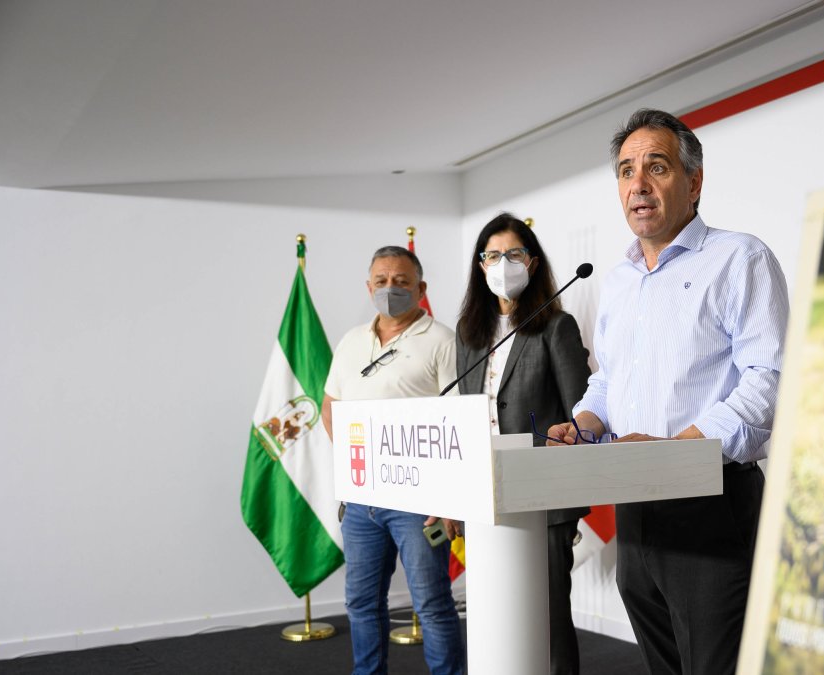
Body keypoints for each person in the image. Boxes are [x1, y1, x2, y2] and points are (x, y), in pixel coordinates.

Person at [548, 108, 790, 675]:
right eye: (627, 170)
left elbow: (769, 381)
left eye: (657, 167)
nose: (638, 183)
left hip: (712, 507)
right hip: (635, 508)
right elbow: (608, 379)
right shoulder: (619, 281)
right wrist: (584, 422)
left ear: (694, 182)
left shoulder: (739, 257)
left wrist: (677, 451)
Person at [454, 212, 593, 675]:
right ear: (480, 265)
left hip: (544, 496)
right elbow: (465, 413)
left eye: (513, 253)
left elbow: (581, 413)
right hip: (486, 494)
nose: (502, 263)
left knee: (549, 618)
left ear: (531, 263)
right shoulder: (469, 333)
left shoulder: (557, 326)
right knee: (497, 615)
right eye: (492, 254)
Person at [321, 245, 465, 675]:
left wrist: (448, 501)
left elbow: (455, 422)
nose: (390, 289)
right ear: (369, 287)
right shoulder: (351, 341)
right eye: (381, 281)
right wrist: (354, 460)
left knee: (432, 603)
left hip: (419, 502)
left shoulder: (442, 340)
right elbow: (331, 404)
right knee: (361, 602)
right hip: (362, 499)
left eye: (401, 282)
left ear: (420, 288)